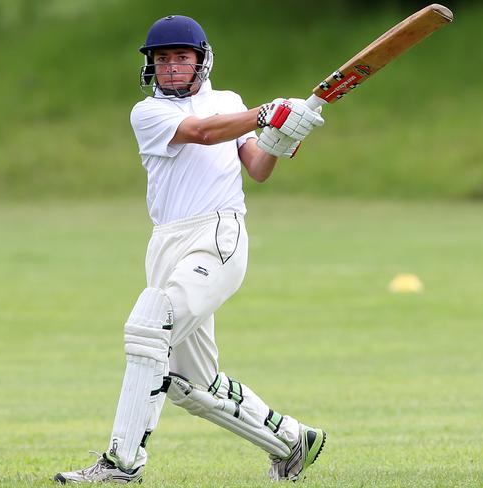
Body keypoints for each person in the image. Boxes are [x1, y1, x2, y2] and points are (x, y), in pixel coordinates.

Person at [54, 14, 325, 484]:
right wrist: (268, 114)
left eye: (182, 57)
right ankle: (290, 440)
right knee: (190, 383)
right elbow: (202, 132)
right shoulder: (149, 112)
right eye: (163, 59)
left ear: (202, 61)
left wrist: (284, 135)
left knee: (148, 328)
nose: (173, 67)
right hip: (165, 243)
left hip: (218, 236)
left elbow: (257, 167)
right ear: (151, 68)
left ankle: (121, 465)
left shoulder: (228, 102)